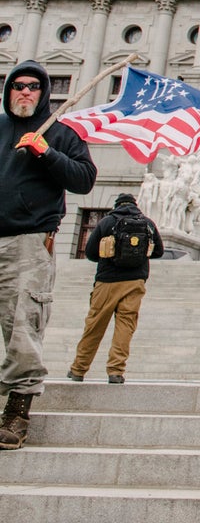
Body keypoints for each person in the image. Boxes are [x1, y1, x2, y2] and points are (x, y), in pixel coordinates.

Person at [0, 60, 97, 450]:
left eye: (34, 86)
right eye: (18, 85)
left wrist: (46, 153)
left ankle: (18, 409)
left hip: (28, 242)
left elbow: (85, 180)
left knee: (23, 324)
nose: (25, 91)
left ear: (44, 94)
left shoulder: (60, 133)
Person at [67, 192, 164, 383]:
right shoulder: (147, 223)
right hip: (135, 282)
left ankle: (79, 369)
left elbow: (90, 252)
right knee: (125, 326)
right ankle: (116, 371)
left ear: (117, 205)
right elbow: (158, 251)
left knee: (95, 325)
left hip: (107, 281)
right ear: (135, 205)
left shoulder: (107, 222)